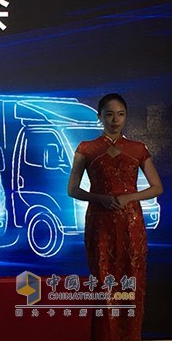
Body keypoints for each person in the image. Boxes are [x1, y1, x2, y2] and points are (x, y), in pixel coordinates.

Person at [67, 93, 163, 341]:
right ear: (99, 117)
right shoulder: (87, 148)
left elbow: (157, 187)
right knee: (103, 280)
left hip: (131, 223)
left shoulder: (138, 149)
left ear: (126, 116)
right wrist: (99, 198)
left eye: (120, 114)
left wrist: (130, 197)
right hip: (100, 222)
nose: (115, 119)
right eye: (109, 114)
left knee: (132, 278)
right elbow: (73, 190)